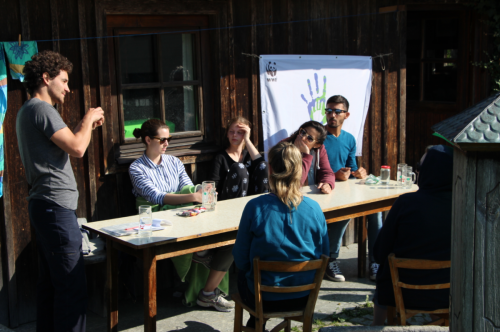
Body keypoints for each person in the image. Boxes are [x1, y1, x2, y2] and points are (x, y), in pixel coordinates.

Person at [16, 50, 105, 332]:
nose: (68, 88)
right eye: (64, 81)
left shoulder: (27, 110)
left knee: (52, 286)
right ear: (46, 78)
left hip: (45, 206)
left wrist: (86, 126)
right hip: (54, 208)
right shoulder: (42, 109)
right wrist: (88, 118)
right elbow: (77, 147)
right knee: (71, 288)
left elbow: (74, 140)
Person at [129, 119, 234, 312]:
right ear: (147, 139)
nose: (166, 143)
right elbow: (155, 196)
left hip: (180, 211)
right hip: (155, 218)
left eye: (168, 139)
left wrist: (203, 191)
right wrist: (193, 196)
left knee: (226, 240)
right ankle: (203, 260)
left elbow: (187, 185)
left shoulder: (174, 161)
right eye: (162, 140)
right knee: (213, 241)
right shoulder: (137, 168)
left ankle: (206, 266)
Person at [233, 141, 330, 330]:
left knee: (242, 277)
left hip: (262, 298)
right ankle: (257, 324)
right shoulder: (315, 208)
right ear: (299, 170)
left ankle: (256, 324)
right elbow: (325, 254)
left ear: (270, 168)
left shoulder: (255, 207)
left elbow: (240, 259)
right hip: (303, 297)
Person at [371, 145, 453, 325]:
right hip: (448, 292)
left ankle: (377, 325)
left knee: (386, 269)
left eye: (419, 166)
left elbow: (379, 252)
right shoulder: (463, 204)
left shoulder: (406, 203)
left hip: (402, 292)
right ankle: (440, 322)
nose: (417, 170)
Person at [322, 95, 383, 282]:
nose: (332, 115)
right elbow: (311, 170)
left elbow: (351, 167)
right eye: (329, 110)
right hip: (322, 190)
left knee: (376, 211)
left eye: (337, 111)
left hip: (344, 189)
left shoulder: (349, 139)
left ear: (346, 115)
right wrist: (334, 175)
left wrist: (359, 172)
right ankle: (330, 260)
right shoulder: (317, 136)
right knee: (346, 211)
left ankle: (375, 261)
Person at [210, 116, 268, 200]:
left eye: (239, 132)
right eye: (231, 132)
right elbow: (213, 186)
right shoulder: (220, 157)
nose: (234, 135)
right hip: (229, 201)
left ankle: (262, 207)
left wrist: (247, 140)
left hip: (251, 201)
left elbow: (262, 167)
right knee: (239, 168)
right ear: (227, 134)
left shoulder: (249, 155)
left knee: (264, 165)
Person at [282, 120, 335, 193]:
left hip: (311, 193)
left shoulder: (320, 149)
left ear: (317, 145)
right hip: (289, 194)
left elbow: (327, 172)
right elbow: (294, 183)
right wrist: (305, 156)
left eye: (310, 138)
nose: (303, 138)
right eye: (303, 132)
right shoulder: (283, 146)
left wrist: (328, 183)